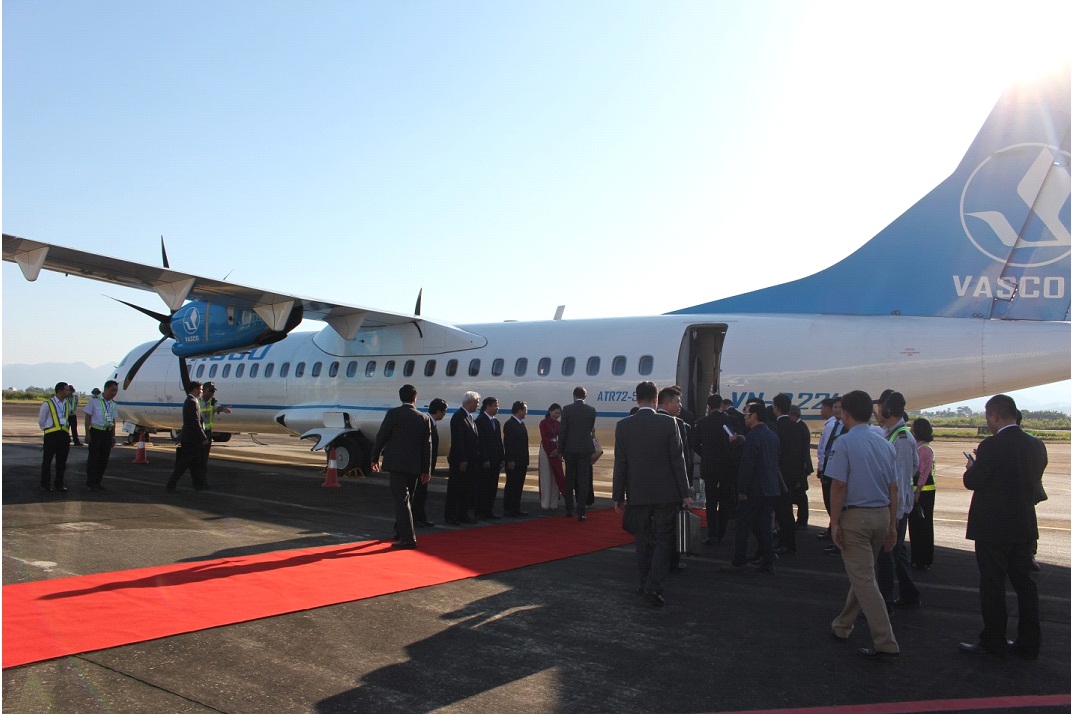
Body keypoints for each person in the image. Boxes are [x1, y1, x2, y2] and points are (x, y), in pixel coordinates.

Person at [958, 394, 1047, 660]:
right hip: (1024, 523)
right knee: (1025, 585)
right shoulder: (1036, 444)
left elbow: (973, 481)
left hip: (992, 527)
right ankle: (1029, 642)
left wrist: (972, 467)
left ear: (995, 415)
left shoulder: (991, 445)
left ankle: (994, 640)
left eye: (988, 417)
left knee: (993, 585)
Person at [826, 390, 900, 659]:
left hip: (856, 518)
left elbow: (839, 486)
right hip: (881, 515)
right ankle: (843, 624)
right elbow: (894, 488)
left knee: (864, 579)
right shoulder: (885, 443)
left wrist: (834, 522)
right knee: (863, 574)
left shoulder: (844, 443)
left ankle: (885, 641)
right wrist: (892, 525)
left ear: (846, 414)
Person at [612, 381, 691, 607]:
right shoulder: (670, 423)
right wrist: (685, 493)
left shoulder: (623, 425)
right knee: (664, 540)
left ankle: (643, 582)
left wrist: (618, 496)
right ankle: (653, 586)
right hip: (666, 493)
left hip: (638, 493)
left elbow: (621, 464)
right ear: (657, 400)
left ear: (636, 400)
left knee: (642, 540)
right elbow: (678, 461)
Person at [873, 389, 921, 611]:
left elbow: (900, 481)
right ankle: (910, 594)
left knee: (887, 557)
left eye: (880, 407)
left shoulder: (901, 439)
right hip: (895, 507)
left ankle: (885, 605)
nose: (877, 411)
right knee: (898, 553)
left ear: (887, 410)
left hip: (896, 508)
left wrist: (896, 517)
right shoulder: (891, 433)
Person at [371, 384, 433, 550]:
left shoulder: (393, 414)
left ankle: (408, 538)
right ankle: (400, 531)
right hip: (414, 465)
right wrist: (426, 470)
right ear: (415, 398)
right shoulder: (423, 418)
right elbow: (427, 446)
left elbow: (382, 436)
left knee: (402, 500)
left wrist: (374, 457)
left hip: (396, 464)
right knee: (407, 500)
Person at [721, 401, 781, 574]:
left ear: (754, 416)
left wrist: (742, 490)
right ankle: (768, 559)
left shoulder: (753, 437)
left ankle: (739, 561)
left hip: (754, 490)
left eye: (747, 414)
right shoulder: (772, 436)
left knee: (742, 526)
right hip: (770, 488)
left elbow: (747, 466)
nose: (745, 417)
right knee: (764, 526)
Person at [693, 394, 739, 545]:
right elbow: (736, 442)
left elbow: (695, 444)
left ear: (708, 406)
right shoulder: (731, 420)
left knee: (711, 501)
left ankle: (712, 534)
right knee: (725, 500)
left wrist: (705, 454)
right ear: (721, 405)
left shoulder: (702, 422)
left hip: (710, 466)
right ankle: (722, 532)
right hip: (727, 466)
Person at [772, 394, 807, 554]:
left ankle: (784, 542)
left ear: (776, 408)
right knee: (788, 512)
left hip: (779, 475)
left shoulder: (776, 427)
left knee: (781, 512)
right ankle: (789, 542)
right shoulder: (798, 426)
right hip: (794, 475)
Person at [559, 386, 597, 521]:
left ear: (574, 396)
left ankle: (569, 509)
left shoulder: (567, 409)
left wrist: (560, 449)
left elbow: (563, 431)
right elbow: (590, 429)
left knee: (569, 480)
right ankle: (581, 511)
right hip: (585, 449)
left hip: (570, 449)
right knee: (583, 481)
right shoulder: (591, 410)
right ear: (585, 396)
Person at [445, 391, 481, 526]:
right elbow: (458, 441)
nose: (478, 405)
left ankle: (463, 514)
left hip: (470, 460)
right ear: (470, 403)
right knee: (455, 489)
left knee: (466, 489)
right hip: (461, 460)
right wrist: (463, 459)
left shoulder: (469, 417)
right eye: (476, 403)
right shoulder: (458, 417)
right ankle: (451, 516)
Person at [167, 381, 210, 492]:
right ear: (195, 389)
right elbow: (195, 421)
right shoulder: (192, 402)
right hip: (191, 440)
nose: (201, 392)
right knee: (184, 464)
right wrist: (203, 437)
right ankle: (171, 484)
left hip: (191, 439)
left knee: (195, 464)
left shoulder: (191, 401)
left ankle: (198, 485)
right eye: (200, 389)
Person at [413, 397, 447, 528]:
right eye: (444, 412)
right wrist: (425, 469)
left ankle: (420, 517)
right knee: (419, 494)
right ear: (438, 411)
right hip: (422, 467)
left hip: (426, 467)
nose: (444, 414)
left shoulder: (431, 423)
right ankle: (417, 518)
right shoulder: (426, 423)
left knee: (422, 493)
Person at [909, 418, 936, 570]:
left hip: (924, 492)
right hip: (919, 491)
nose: (910, 431)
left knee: (922, 525)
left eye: (912, 429)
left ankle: (923, 559)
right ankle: (917, 557)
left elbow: (923, 473)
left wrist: (917, 492)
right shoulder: (918, 446)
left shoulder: (924, 449)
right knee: (916, 525)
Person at [83, 380, 119, 491]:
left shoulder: (113, 404)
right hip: (96, 432)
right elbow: (87, 418)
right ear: (106, 389)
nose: (114, 393)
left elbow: (113, 421)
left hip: (107, 433)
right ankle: (91, 482)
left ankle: (98, 482)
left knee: (104, 459)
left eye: (116, 391)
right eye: (112, 390)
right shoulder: (94, 401)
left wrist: (113, 436)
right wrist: (87, 434)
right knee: (94, 458)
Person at [38, 382, 72, 492]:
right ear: (60, 391)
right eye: (67, 390)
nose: (69, 392)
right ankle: (45, 484)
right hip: (51, 435)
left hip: (64, 435)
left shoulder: (67, 404)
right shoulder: (47, 403)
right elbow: (41, 420)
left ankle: (59, 484)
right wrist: (47, 429)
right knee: (47, 461)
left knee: (62, 462)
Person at [475, 396, 504, 520]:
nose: (498, 408)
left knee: (492, 487)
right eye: (495, 406)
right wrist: (485, 459)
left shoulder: (495, 422)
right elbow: (481, 442)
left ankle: (489, 510)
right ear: (488, 406)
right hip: (486, 460)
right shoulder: (480, 421)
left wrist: (502, 457)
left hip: (495, 460)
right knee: (483, 487)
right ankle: (480, 511)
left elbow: (499, 441)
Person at [502, 401, 530, 517]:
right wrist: (510, 460)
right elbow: (508, 444)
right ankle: (509, 508)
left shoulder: (521, 424)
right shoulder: (510, 424)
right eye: (525, 410)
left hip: (522, 461)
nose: (526, 412)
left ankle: (516, 507)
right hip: (514, 461)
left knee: (518, 485)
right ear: (519, 411)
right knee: (512, 485)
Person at [789, 404, 814, 528]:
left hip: (801, 466)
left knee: (800, 494)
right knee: (800, 494)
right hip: (802, 465)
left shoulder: (799, 427)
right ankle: (802, 520)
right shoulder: (801, 426)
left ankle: (802, 521)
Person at [538, 404, 565, 512]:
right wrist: (553, 449)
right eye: (555, 412)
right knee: (546, 476)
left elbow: (561, 438)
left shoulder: (558, 424)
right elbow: (545, 438)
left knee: (555, 477)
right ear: (550, 411)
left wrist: (558, 450)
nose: (557, 415)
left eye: (559, 413)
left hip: (556, 450)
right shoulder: (543, 423)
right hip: (546, 450)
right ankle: (545, 503)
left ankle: (553, 503)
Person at [200, 382, 232, 457]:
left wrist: (223, 409)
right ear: (204, 390)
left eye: (213, 391)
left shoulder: (212, 402)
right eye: (210, 391)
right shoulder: (197, 401)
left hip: (207, 432)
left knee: (205, 454)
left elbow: (218, 407)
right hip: (198, 431)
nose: (212, 393)